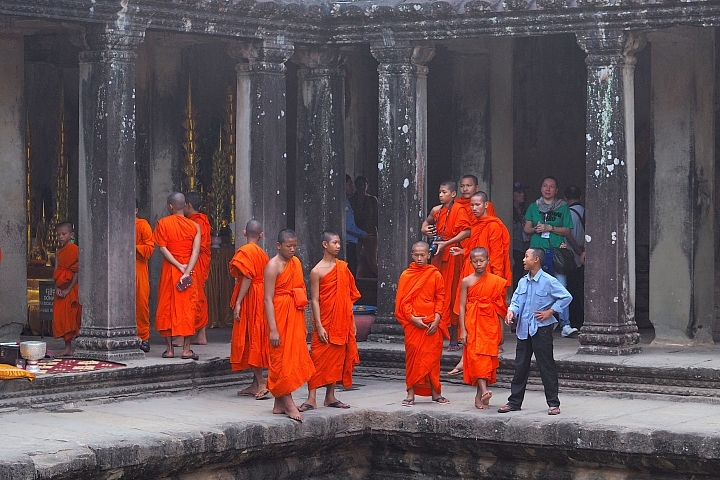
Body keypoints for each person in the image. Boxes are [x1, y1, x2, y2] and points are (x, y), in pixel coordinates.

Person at [498, 247, 572, 415]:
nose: (524, 260)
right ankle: (514, 402)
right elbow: (516, 301)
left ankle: (553, 403)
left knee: (546, 365)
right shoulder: (523, 281)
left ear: (536, 259)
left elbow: (566, 296)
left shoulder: (548, 280)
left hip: (541, 329)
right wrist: (511, 312)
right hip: (524, 328)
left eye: (526, 256)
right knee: (520, 366)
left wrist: (551, 311)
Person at [447, 191, 511, 375]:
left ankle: (490, 355)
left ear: (486, 205)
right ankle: (466, 360)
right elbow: (477, 250)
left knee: (491, 317)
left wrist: (498, 283)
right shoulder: (475, 225)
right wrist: (463, 252)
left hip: (489, 279)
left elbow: (496, 256)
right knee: (471, 318)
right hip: (473, 277)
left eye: (477, 205)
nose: (474, 208)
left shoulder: (493, 226)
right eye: (471, 205)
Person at [298, 231, 361, 412]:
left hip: (342, 320)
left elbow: (348, 297)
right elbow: (315, 300)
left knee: (337, 359)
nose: (338, 246)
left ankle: (330, 396)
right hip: (324, 320)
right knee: (317, 357)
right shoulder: (316, 271)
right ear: (325, 245)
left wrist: (352, 321)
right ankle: (311, 398)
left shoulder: (343, 268)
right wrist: (318, 325)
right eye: (334, 242)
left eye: (339, 242)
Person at [264, 229, 316, 422]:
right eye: (288, 246)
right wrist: (273, 329)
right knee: (281, 358)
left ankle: (279, 403)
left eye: (295, 245)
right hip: (278, 314)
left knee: (291, 356)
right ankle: (289, 403)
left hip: (294, 314)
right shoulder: (272, 266)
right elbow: (268, 299)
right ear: (279, 246)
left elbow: (299, 288)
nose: (293, 249)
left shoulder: (296, 263)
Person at [395, 241, 449, 406]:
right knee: (412, 359)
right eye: (416, 255)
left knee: (432, 359)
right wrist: (412, 318)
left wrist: (438, 318)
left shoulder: (435, 274)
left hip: (432, 322)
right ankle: (410, 393)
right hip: (413, 324)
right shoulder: (406, 275)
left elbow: (441, 297)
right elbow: (402, 302)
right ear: (412, 255)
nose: (419, 258)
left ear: (428, 255)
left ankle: (436, 393)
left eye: (422, 255)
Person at [523, 176, 577, 338]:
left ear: (557, 190)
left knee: (561, 287)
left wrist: (550, 227)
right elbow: (526, 229)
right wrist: (535, 229)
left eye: (551, 186)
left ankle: (565, 324)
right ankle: (536, 322)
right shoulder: (534, 207)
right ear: (541, 189)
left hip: (556, 251)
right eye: (545, 186)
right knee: (535, 286)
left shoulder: (563, 207)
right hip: (537, 251)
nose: (548, 189)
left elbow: (567, 230)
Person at [421, 180, 471, 351]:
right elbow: (426, 223)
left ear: (453, 194)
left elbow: (466, 231)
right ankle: (436, 333)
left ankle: (454, 338)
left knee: (452, 295)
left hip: (452, 256)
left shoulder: (459, 210)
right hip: (438, 255)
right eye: (440, 192)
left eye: (444, 192)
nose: (441, 195)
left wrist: (448, 242)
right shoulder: (436, 210)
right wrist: (424, 229)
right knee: (436, 294)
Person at [153, 192, 202, 360]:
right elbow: (196, 250)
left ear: (170, 206)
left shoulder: (162, 223)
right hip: (188, 272)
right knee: (188, 308)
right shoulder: (195, 226)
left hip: (170, 270)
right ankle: (187, 350)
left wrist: (177, 265)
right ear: (185, 205)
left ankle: (169, 349)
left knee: (166, 306)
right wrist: (187, 270)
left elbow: (163, 248)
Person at [458, 248, 507, 409]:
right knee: (476, 357)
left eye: (482, 261)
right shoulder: (466, 281)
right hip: (472, 323)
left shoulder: (496, 281)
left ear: (488, 261)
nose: (478, 264)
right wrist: (463, 330)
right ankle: (484, 391)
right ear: (470, 262)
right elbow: (462, 306)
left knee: (486, 360)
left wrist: (502, 331)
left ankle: (480, 397)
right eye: (475, 261)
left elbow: (500, 308)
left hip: (490, 325)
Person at [229, 219, 270, 399]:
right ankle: (255, 384)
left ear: (244, 233)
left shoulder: (245, 251)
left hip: (251, 296)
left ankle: (262, 381)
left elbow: (247, 276)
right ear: (261, 235)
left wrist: (238, 302)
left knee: (250, 336)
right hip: (261, 296)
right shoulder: (263, 254)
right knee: (255, 335)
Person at [184, 192, 212, 346]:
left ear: (188, 205)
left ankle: (195, 335)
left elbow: (199, 246)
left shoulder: (199, 222)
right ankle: (200, 335)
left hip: (197, 261)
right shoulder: (197, 221)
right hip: (196, 261)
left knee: (196, 295)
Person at [53, 222, 81, 357]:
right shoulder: (59, 252)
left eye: (63, 234)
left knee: (72, 317)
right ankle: (67, 347)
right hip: (60, 288)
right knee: (61, 318)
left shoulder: (75, 250)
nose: (60, 237)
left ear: (71, 235)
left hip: (71, 288)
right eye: (58, 234)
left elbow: (77, 271)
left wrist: (68, 289)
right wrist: (57, 287)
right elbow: (56, 271)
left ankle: (73, 346)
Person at [564, 185, 585, 330]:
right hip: (583, 256)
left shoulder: (567, 214)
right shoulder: (585, 212)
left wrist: (578, 252)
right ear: (581, 198)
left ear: (565, 199)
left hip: (571, 257)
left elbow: (568, 235)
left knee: (571, 290)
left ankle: (574, 320)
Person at [351, 175, 378, 278]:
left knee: (372, 259)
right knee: (357, 259)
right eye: (359, 185)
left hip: (370, 232)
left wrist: (373, 233)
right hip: (355, 233)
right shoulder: (352, 200)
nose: (362, 187)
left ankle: (379, 279)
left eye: (364, 185)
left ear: (367, 186)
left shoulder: (372, 200)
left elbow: (376, 216)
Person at [135, 203, 154, 353]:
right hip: (118, 268)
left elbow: (149, 248)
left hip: (138, 267)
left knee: (141, 303)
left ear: (136, 210)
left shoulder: (142, 225)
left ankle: (143, 337)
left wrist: (134, 247)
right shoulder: (115, 225)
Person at [345, 174, 369, 277]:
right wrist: (364, 234)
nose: (352, 187)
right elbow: (349, 226)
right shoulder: (345, 202)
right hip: (347, 243)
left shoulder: (348, 201)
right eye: (350, 184)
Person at [512, 181, 530, 290]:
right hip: (514, 250)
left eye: (523, 192)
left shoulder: (523, 210)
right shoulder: (509, 210)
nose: (522, 194)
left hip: (523, 249)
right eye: (518, 192)